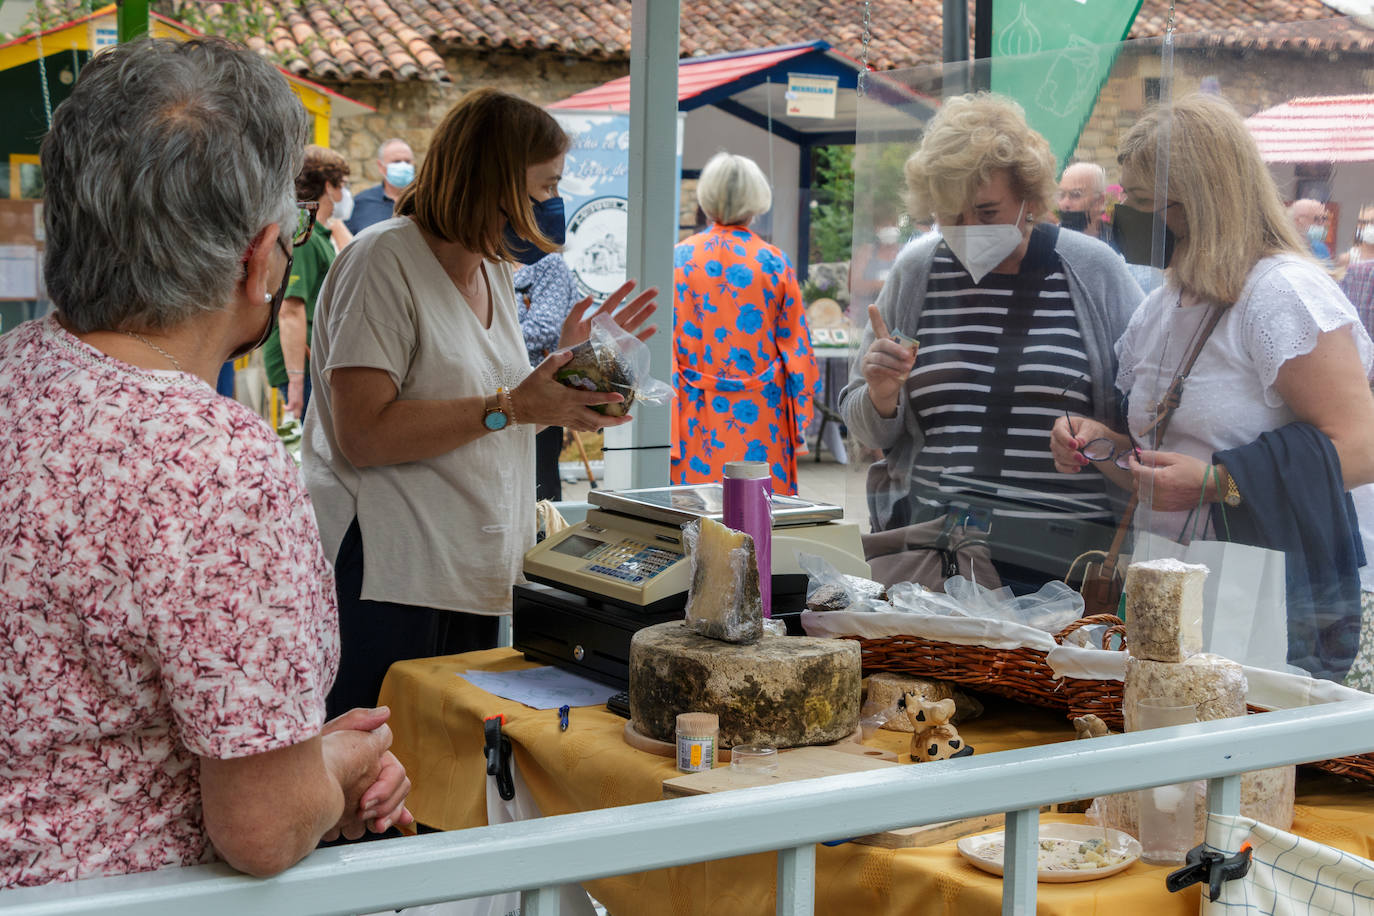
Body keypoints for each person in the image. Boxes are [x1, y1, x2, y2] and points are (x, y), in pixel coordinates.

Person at [0, 38, 410, 890]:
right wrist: (338, 769)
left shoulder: (14, 372)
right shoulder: (215, 462)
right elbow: (261, 829)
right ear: (261, 259)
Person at [304, 88, 656, 718]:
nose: (553, 204)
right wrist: (515, 406)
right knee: (379, 787)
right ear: (491, 181)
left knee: (446, 779)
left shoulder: (490, 268)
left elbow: (493, 400)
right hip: (389, 575)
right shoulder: (381, 260)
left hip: (471, 568)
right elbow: (363, 433)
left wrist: (568, 378)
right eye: (543, 187)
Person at [1051, 94, 1374, 686]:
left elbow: (1360, 448)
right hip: (1175, 581)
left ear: (1204, 203)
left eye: (1145, 203)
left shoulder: (1283, 295)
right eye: (1128, 200)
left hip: (1269, 592)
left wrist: (1217, 483)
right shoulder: (1161, 305)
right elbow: (1166, 468)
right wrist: (1104, 444)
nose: (1127, 217)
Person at [840, 92, 1143, 593]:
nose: (966, 230)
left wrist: (1100, 439)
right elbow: (864, 426)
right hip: (935, 561)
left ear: (1030, 198)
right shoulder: (918, 272)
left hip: (1063, 564)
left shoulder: (1092, 271)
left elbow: (1149, 417)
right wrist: (880, 392)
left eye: (985, 211)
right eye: (950, 215)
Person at [671, 151, 821, 495]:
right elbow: (797, 353)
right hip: (761, 415)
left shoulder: (677, 259)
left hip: (693, 414)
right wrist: (800, 421)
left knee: (695, 523)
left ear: (705, 201)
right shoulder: (774, 263)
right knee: (757, 517)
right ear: (757, 203)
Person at [262, 145, 349, 420]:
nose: (344, 194)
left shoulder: (320, 233)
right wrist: (297, 383)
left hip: (310, 358)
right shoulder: (306, 238)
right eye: (342, 185)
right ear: (329, 186)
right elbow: (290, 309)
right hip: (302, 362)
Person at [345, 137, 414, 235]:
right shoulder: (361, 203)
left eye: (407, 162)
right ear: (381, 166)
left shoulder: (424, 202)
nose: (403, 166)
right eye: (396, 161)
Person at [1056, 161, 1112, 244]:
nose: (1065, 204)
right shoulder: (1048, 243)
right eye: (1061, 195)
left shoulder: (1119, 243)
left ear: (1100, 201)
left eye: (1076, 195)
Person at [1289, 198, 1332, 262]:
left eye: (1324, 218)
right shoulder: (1282, 249)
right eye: (1317, 219)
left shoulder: (1320, 248)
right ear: (1299, 220)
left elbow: (1329, 271)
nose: (1323, 224)